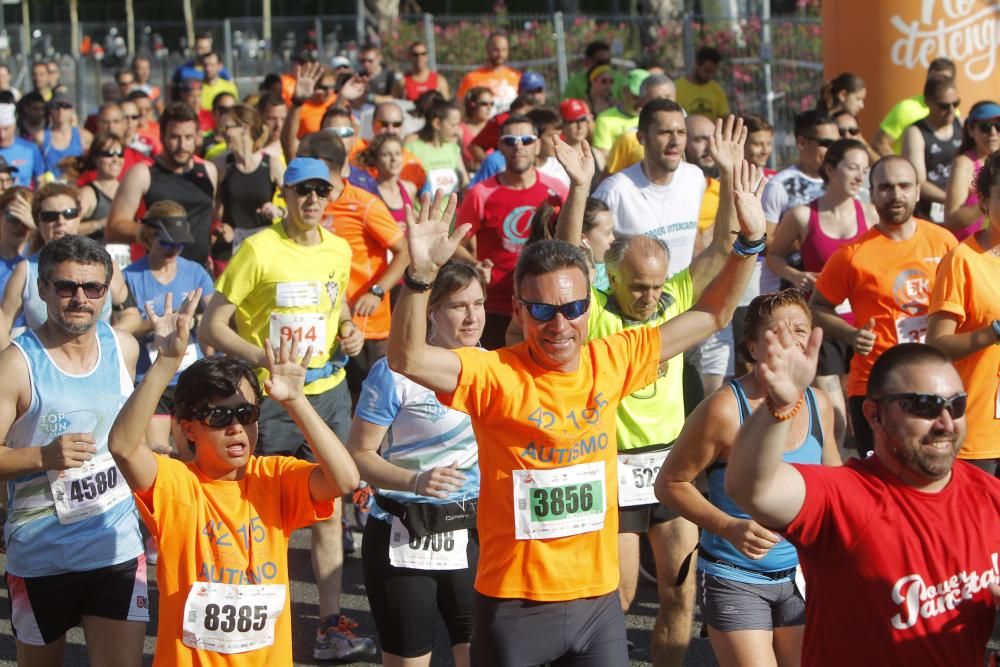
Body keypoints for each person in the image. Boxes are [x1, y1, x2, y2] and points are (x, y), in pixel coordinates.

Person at [385, 151, 765, 664]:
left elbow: (714, 313)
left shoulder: (612, 358)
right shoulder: (495, 373)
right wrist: (418, 278)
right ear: (518, 310)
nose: (558, 324)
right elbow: (407, 356)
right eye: (541, 310)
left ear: (591, 305)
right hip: (514, 605)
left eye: (572, 308)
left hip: (596, 607)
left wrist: (750, 243)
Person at [560, 119, 750, 666]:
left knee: (680, 593)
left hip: (670, 464)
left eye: (657, 287)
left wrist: (729, 174)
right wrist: (579, 189)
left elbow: (723, 246)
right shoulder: (593, 312)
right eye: (637, 287)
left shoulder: (675, 300)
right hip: (613, 465)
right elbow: (570, 255)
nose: (649, 298)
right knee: (617, 597)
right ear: (611, 280)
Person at [726, 335, 1000, 667]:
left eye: (955, 405)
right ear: (874, 415)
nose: (945, 423)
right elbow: (751, 488)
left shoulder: (989, 496)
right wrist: (779, 408)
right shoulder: (844, 496)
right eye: (924, 406)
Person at [109, 308, 360, 665]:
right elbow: (122, 446)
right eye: (219, 416)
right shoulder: (177, 483)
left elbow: (346, 479)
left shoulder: (273, 477)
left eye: (246, 415)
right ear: (189, 428)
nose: (236, 428)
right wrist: (165, 363)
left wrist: (295, 400)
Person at [198, 157, 375, 662]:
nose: (312, 200)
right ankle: (247, 622)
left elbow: (334, 304)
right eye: (302, 191)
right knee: (253, 506)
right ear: (285, 194)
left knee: (330, 508)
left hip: (327, 391)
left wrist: (349, 332)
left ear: (332, 195)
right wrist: (263, 359)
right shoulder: (258, 248)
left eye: (321, 191)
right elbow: (213, 328)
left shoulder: (339, 249)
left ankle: (327, 626)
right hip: (267, 398)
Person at [657, 289, 839, 667]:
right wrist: (728, 527)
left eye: (800, 329)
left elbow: (838, 489)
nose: (791, 339)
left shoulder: (820, 405)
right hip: (733, 575)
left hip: (801, 578)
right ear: (753, 348)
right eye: (777, 332)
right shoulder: (725, 409)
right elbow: (670, 483)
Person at [0, 235, 147, 666]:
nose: (79, 298)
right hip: (41, 552)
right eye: (66, 287)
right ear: (43, 289)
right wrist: (42, 457)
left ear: (106, 291)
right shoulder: (15, 365)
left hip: (116, 543)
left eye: (93, 288)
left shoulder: (124, 348)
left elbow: (131, 440)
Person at [349, 261, 484, 667]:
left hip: (471, 533)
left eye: (478, 303)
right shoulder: (394, 372)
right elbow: (359, 455)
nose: (473, 316)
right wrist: (416, 479)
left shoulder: (491, 366)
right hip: (403, 532)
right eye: (459, 306)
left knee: (479, 656)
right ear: (432, 313)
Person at [810, 156, 957, 456]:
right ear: (872, 193)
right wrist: (851, 335)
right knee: (882, 485)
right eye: (886, 187)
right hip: (876, 386)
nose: (896, 195)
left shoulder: (944, 243)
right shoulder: (852, 255)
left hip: (935, 382)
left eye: (905, 186)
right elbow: (817, 308)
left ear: (918, 191)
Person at [767, 139, 876, 446]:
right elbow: (773, 255)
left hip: (861, 325)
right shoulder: (803, 215)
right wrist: (796, 275)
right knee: (836, 420)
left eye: (864, 170)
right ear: (830, 168)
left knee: (866, 416)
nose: (859, 177)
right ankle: (832, 483)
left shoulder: (869, 214)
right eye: (853, 168)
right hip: (822, 323)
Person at [455, 113, 567, 349]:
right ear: (499, 148)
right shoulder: (480, 193)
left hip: (544, 305)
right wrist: (474, 265)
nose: (518, 146)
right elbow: (454, 243)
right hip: (495, 306)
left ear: (537, 145)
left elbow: (570, 240)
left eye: (526, 140)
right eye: (510, 141)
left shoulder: (556, 190)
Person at [122, 202, 215, 456]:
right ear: (150, 235)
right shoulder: (129, 276)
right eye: (167, 243)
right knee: (159, 453)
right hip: (151, 377)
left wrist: (193, 321)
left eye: (180, 244)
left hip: (190, 377)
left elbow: (214, 315)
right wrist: (155, 325)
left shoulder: (195, 272)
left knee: (193, 456)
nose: (174, 249)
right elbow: (121, 330)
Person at [927, 151, 1000, 472]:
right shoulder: (962, 259)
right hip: (980, 435)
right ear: (983, 200)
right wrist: (994, 332)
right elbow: (937, 345)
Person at [0, 182, 141, 347]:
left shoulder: (104, 263)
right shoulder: (26, 270)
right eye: (50, 216)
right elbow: (4, 321)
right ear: (38, 222)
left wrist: (102, 341)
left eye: (69, 213)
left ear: (79, 217)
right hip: (44, 365)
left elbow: (131, 315)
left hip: (96, 362)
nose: (60, 221)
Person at [594, 98, 705, 276]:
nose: (675, 141)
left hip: (686, 300)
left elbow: (694, 238)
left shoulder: (695, 178)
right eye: (665, 132)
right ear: (641, 137)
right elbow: (587, 251)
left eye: (681, 132)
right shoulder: (615, 191)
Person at [107, 102, 219, 269]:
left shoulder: (209, 170)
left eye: (188, 137)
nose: (182, 145)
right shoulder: (142, 173)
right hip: (155, 272)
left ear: (197, 137)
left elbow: (212, 219)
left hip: (200, 273)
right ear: (162, 137)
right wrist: (153, 233)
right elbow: (114, 228)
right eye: (175, 137)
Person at [759, 110, 839, 294]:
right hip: (786, 294)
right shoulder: (779, 185)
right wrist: (808, 240)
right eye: (826, 143)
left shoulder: (841, 183)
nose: (833, 150)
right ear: (802, 143)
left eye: (837, 143)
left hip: (831, 294)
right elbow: (760, 243)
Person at [214, 104, 284, 252]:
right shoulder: (221, 164)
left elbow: (295, 201)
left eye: (227, 128)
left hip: (265, 246)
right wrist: (219, 226)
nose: (222, 133)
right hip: (230, 248)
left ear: (245, 128)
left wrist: (279, 211)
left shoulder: (271, 163)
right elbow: (213, 204)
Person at [901, 76, 962, 224]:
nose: (951, 110)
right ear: (927, 102)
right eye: (944, 106)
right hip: (928, 216)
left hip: (958, 209)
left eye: (956, 103)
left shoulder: (961, 125)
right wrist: (952, 200)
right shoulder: (916, 133)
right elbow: (918, 182)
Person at [872, 57, 956, 156]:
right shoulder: (906, 108)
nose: (939, 84)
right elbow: (880, 143)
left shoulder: (953, 111)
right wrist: (903, 168)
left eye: (945, 80)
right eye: (935, 79)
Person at [943, 100, 1000, 241]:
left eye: (998, 126)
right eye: (985, 127)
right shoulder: (964, 164)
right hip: (971, 251)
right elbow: (951, 220)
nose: (993, 133)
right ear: (970, 130)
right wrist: (987, 202)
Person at [601, 73, 677, 177]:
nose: (664, 104)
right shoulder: (629, 138)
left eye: (668, 97)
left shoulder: (687, 131)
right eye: (657, 99)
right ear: (643, 102)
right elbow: (607, 182)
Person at [409, 97, 468, 195]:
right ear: (437, 123)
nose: (458, 131)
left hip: (450, 210)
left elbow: (465, 184)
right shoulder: (413, 149)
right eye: (453, 125)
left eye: (459, 125)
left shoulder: (453, 148)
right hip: (421, 210)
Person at [358, 133, 417, 230]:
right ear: (375, 160)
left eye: (397, 153)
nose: (394, 159)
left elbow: (412, 220)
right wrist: (390, 231)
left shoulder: (410, 188)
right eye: (386, 154)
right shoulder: (368, 193)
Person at [591, 68, 649, 160]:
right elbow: (603, 159)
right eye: (636, 96)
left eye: (645, 97)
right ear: (625, 91)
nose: (641, 102)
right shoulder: (605, 119)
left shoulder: (657, 118)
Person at [457, 33, 521, 114]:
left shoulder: (517, 76)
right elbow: (460, 106)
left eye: (504, 49)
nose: (500, 54)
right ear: (487, 49)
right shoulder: (471, 78)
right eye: (496, 50)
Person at [77, 132, 125, 241]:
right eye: (108, 154)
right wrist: (99, 224)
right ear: (95, 158)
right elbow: (69, 228)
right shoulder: (87, 194)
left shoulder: (127, 190)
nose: (115, 159)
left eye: (120, 154)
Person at [37, 92, 92, 181]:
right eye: (56, 106)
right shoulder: (41, 137)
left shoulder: (84, 136)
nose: (61, 110)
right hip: (50, 189)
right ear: (50, 110)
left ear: (72, 110)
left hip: (76, 188)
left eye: (66, 106)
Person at [675, 47, 731, 122]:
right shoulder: (677, 87)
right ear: (697, 64)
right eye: (707, 71)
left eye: (713, 72)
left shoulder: (716, 89)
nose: (710, 76)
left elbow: (725, 118)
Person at [0, 103, 45, 188]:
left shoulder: (30, 149)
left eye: (6, 129)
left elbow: (40, 181)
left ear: (14, 126)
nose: (2, 135)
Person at [460, 86, 493, 172]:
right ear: (472, 105)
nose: (489, 108)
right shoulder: (460, 129)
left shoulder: (494, 127)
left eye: (491, 104)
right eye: (484, 104)